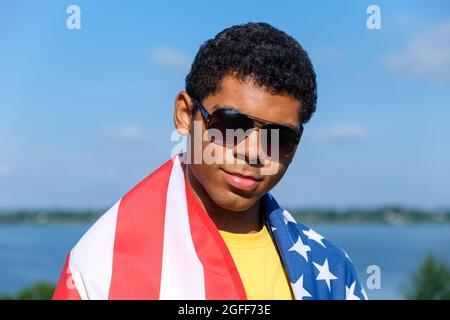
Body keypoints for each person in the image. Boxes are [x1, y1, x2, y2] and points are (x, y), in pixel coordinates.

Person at [53, 22, 367, 300]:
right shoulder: (103, 266)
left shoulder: (330, 271)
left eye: (279, 137)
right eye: (231, 125)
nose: (254, 152)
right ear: (185, 115)